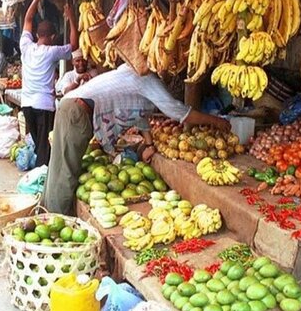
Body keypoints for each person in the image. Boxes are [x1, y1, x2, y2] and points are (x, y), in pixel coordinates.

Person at [43, 63, 231, 215]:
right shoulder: (146, 79)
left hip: (71, 107)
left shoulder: (131, 70)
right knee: (67, 171)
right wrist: (215, 121)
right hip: (77, 112)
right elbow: (176, 110)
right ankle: (56, 220)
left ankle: (46, 210)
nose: (169, 75)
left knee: (58, 166)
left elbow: (138, 115)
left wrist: (149, 143)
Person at [21, 0, 78, 167]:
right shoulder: (52, 52)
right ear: (52, 36)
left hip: (27, 103)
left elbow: (28, 19)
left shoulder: (26, 46)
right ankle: (42, 178)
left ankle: (39, 173)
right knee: (45, 147)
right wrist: (70, 19)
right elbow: (74, 45)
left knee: (39, 144)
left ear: (37, 35)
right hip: (44, 105)